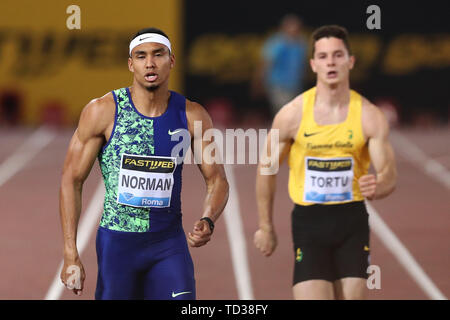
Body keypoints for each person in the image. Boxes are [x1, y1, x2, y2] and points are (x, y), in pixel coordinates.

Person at [59, 27, 229, 300]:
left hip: (168, 244)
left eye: (158, 54)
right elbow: (72, 179)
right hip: (117, 244)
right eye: (141, 56)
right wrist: (70, 253)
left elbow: (217, 178)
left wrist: (208, 218)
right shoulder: (102, 111)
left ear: (171, 60)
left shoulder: (192, 115)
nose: (150, 63)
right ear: (131, 64)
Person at [254, 25, 397, 300]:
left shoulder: (370, 116)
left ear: (350, 61)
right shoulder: (291, 115)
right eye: (323, 56)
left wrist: (380, 185)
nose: (330, 62)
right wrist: (266, 226)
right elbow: (267, 169)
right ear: (313, 64)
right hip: (309, 224)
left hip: (351, 222)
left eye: (337, 55)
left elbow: (389, 172)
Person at [256, 14, 308, 118]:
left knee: (295, 114)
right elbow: (266, 63)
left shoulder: (301, 43)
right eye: (291, 26)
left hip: (295, 85)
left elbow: (302, 64)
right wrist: (259, 81)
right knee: (283, 112)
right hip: (278, 84)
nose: (294, 29)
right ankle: (280, 133)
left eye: (297, 27)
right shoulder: (276, 43)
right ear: (284, 27)